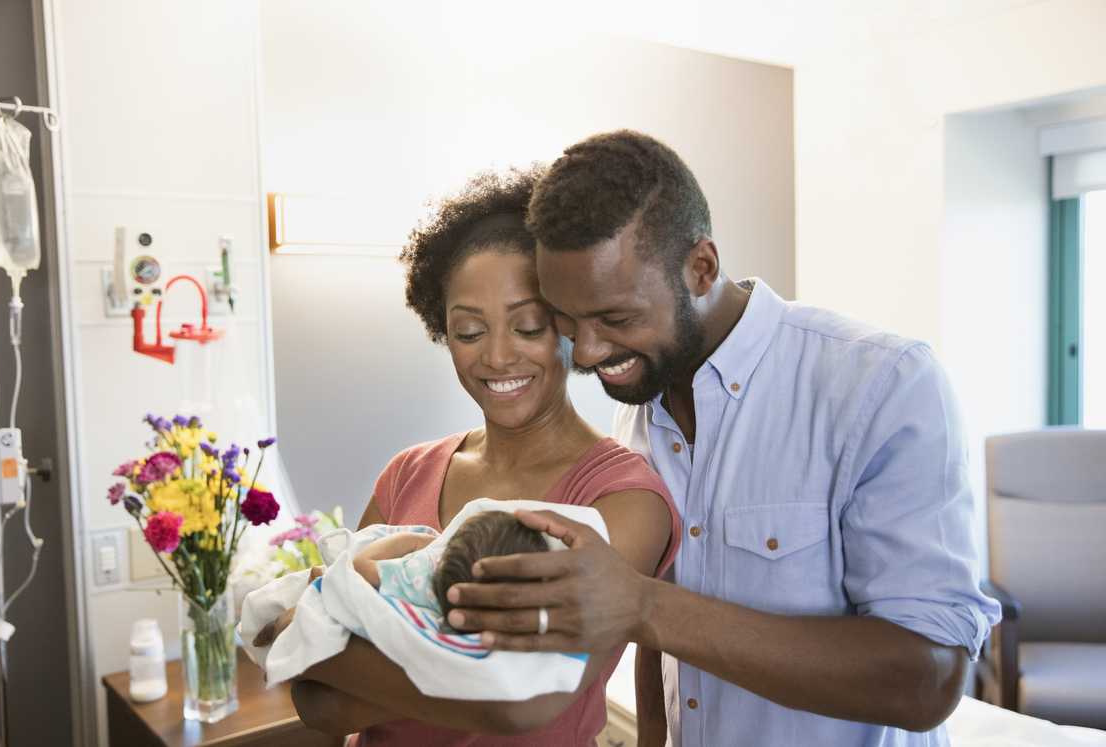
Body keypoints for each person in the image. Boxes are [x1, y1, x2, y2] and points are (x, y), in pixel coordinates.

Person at [443, 131, 1003, 746]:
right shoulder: (638, 410)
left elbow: (928, 680)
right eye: (569, 321)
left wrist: (642, 605)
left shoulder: (880, 384)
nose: (592, 352)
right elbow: (661, 652)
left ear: (701, 267)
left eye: (617, 318)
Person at [252, 167, 682, 746]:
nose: (499, 357)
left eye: (527, 326)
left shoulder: (622, 501)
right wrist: (458, 681)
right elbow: (318, 707)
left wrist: (317, 630)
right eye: (469, 331)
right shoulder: (407, 474)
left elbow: (524, 706)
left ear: (567, 324)